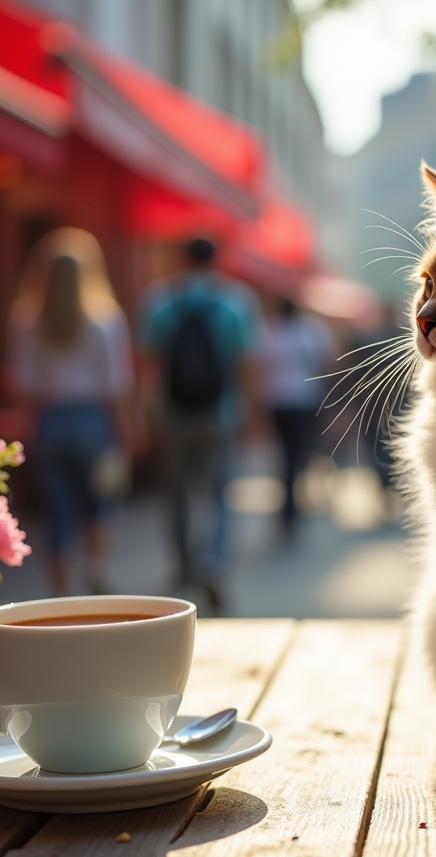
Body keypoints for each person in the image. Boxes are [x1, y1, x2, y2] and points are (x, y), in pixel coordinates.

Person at [8, 228, 136, 595]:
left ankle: (60, 590)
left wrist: (24, 428)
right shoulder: (105, 319)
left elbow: (23, 383)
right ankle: (96, 566)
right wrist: (125, 428)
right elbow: (118, 382)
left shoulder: (28, 320)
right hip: (92, 418)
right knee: (100, 499)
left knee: (57, 510)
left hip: (50, 419)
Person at [139, 237, 262, 595]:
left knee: (177, 492)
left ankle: (183, 565)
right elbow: (246, 364)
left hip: (173, 413)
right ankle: (214, 562)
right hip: (221, 413)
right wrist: (253, 413)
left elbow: (147, 363)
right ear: (216, 260)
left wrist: (141, 412)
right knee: (221, 492)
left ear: (183, 258)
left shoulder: (160, 300)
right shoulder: (236, 301)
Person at [259, 296, 335, 539]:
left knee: (286, 455)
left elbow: (258, 365)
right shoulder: (311, 330)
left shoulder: (269, 332)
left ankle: (288, 505)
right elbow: (330, 360)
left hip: (277, 401)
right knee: (299, 453)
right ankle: (292, 506)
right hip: (305, 399)